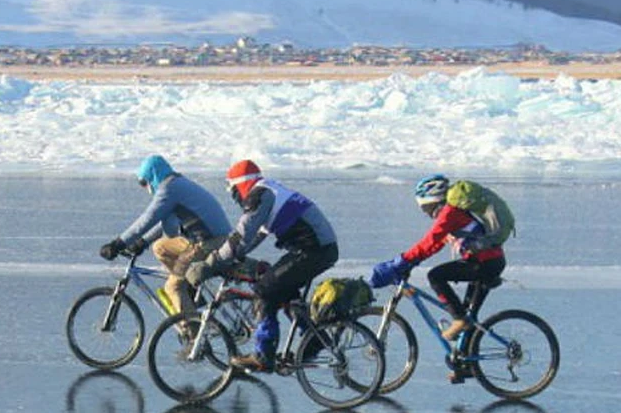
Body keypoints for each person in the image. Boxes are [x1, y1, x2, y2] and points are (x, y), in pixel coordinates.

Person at [187, 159, 339, 373]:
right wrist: (234, 257)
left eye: (233, 192)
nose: (235, 198)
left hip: (313, 250)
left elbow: (241, 235)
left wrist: (212, 263)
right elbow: (255, 236)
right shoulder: (269, 190)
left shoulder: (259, 196)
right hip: (317, 249)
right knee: (281, 289)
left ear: (240, 185)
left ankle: (263, 355)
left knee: (264, 289)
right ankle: (315, 336)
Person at [369, 173, 508, 345]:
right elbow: (435, 246)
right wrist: (411, 262)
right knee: (468, 319)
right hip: (488, 261)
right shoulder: (454, 212)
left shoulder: (450, 212)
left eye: (425, 208)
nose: (427, 214)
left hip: (484, 263)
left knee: (435, 276)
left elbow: (430, 241)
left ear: (432, 200)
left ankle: (459, 319)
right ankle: (462, 365)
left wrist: (402, 261)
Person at [100, 154, 231, 315]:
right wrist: (142, 242)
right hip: (209, 239)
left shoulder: (168, 189)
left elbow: (148, 218)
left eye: (144, 182)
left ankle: (194, 334)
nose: (145, 187)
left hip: (209, 243)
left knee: (172, 287)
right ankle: (188, 287)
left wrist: (118, 243)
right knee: (160, 247)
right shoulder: (177, 184)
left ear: (153, 175)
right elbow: (165, 223)